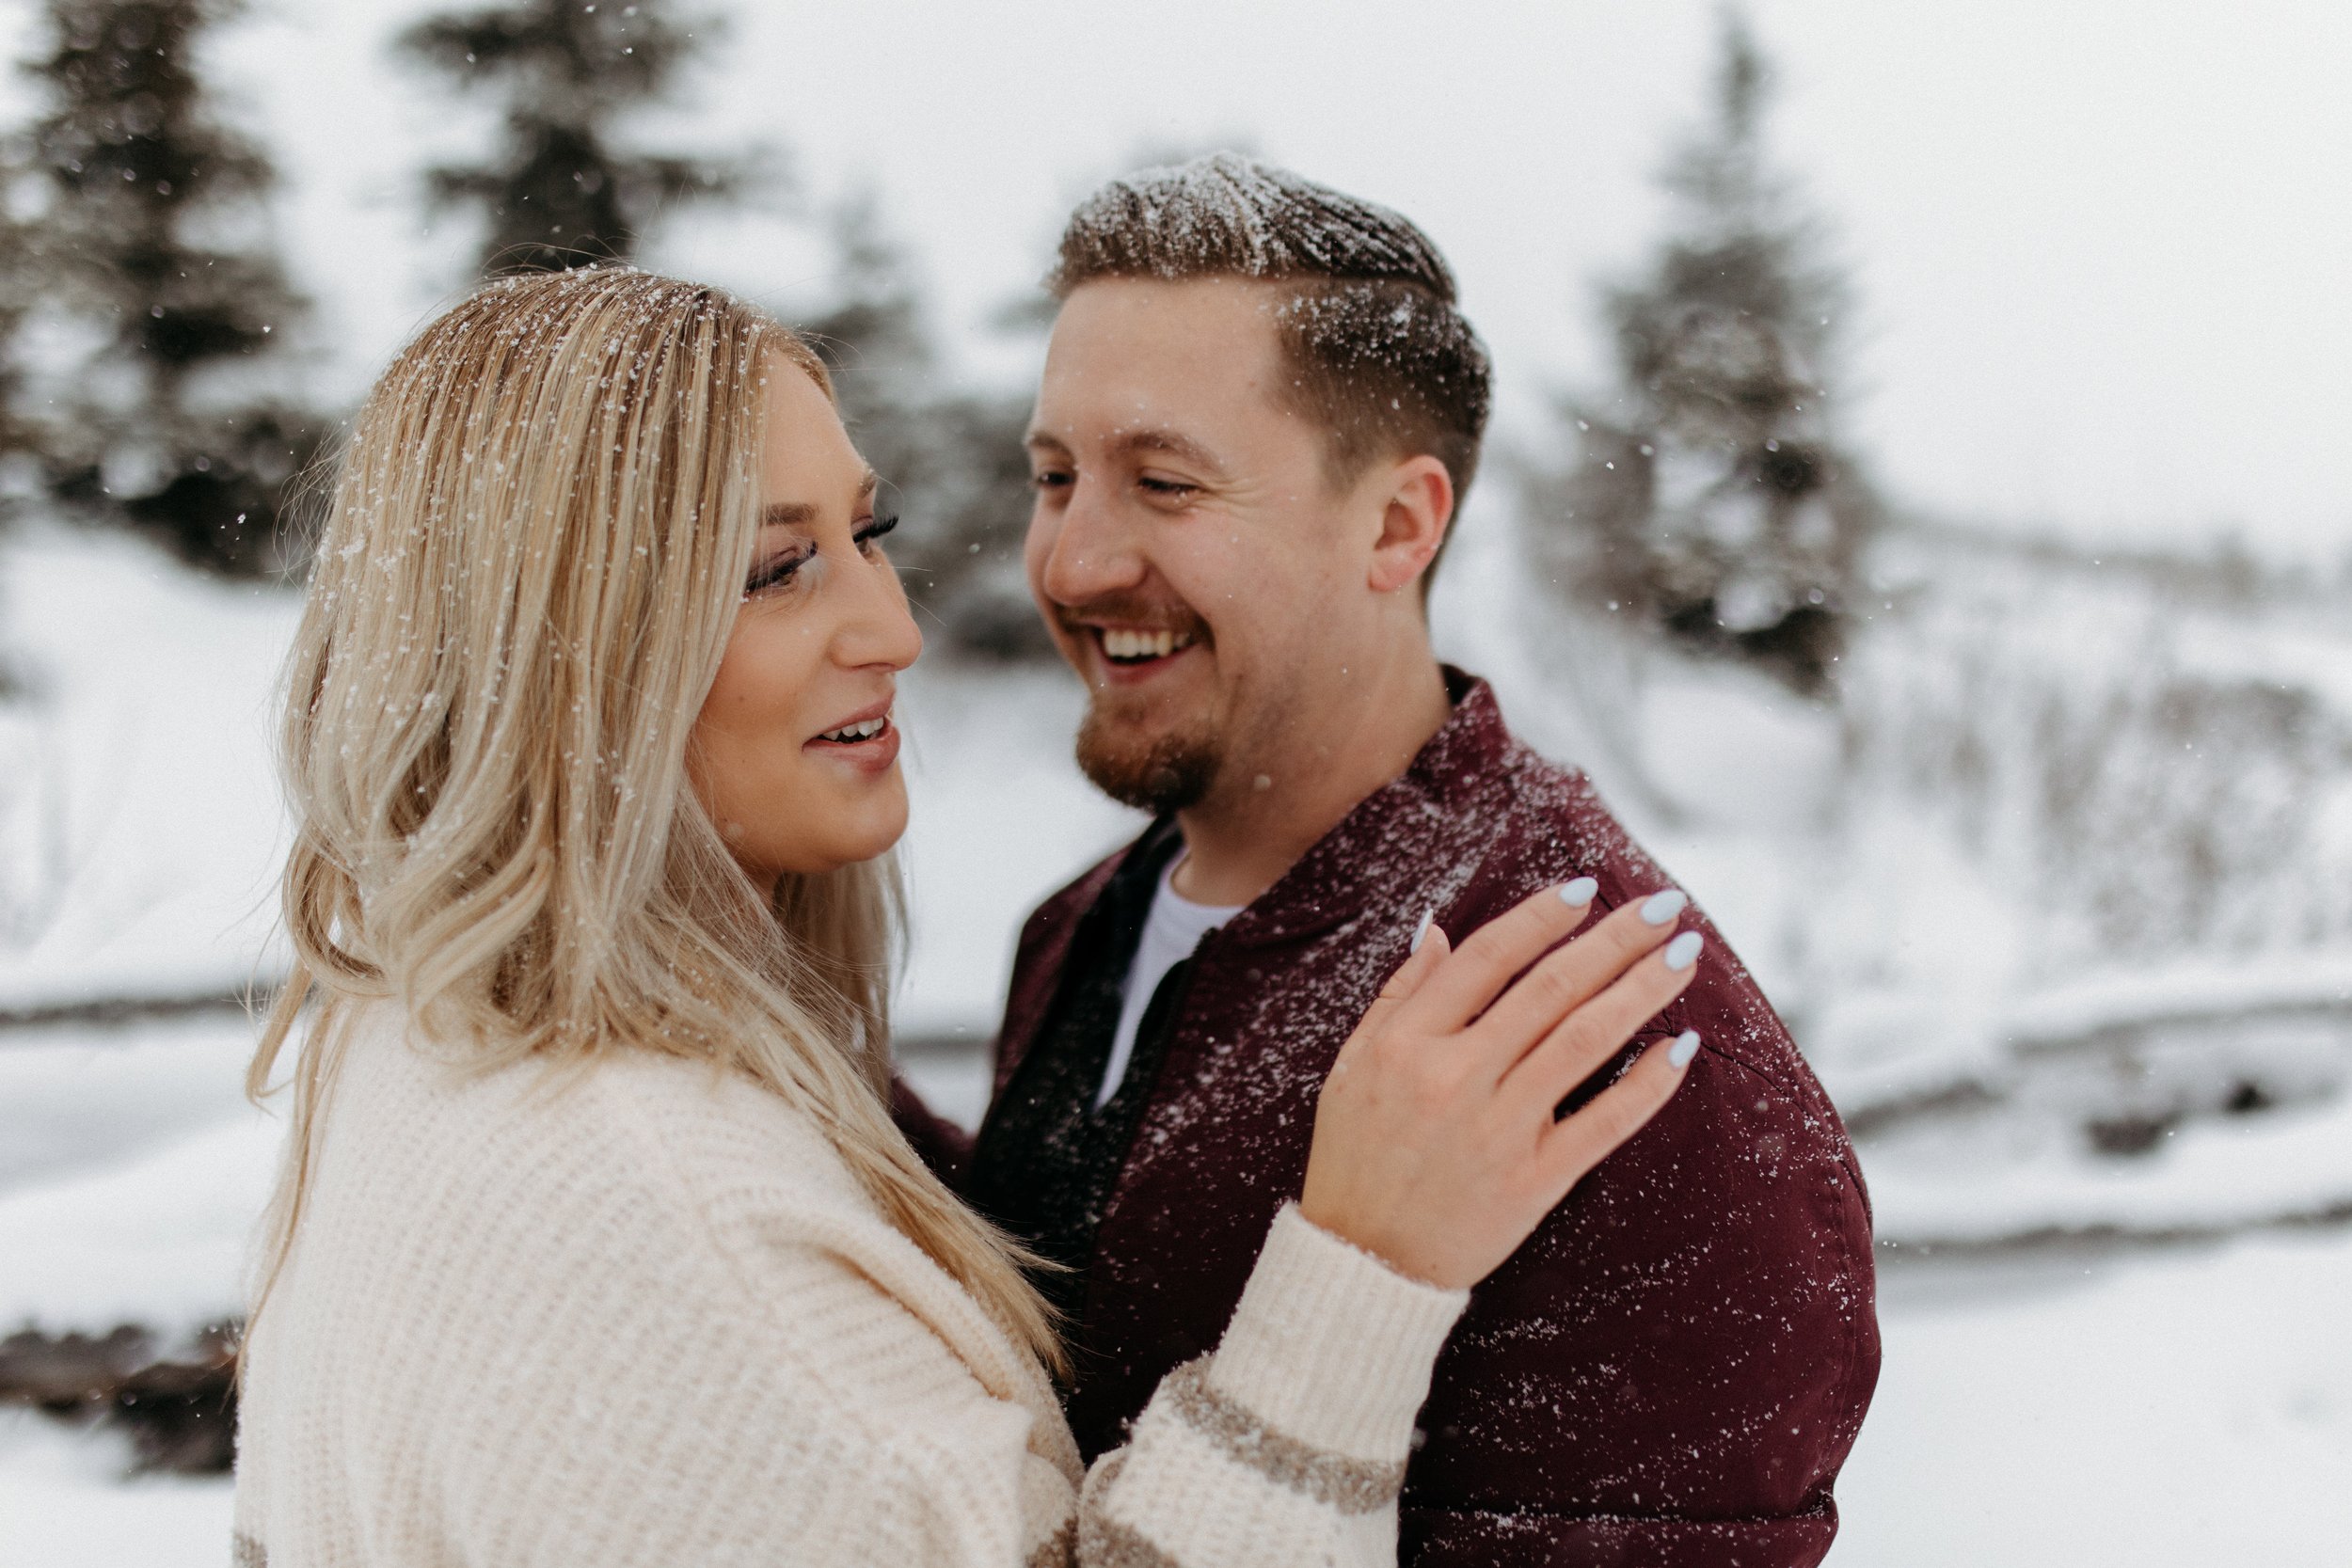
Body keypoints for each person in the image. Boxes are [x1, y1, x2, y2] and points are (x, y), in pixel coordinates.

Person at [229, 266, 1710, 1568]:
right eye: (778, 567)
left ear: (1402, 523)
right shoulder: (663, 1212)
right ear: (564, 652)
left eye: (867, 535)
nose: (896, 628)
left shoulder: (419, 1042)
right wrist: (1358, 1280)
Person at [956, 155, 1882, 1566]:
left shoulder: (1616, 1037)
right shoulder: (1080, 927)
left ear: (1400, 523)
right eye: (1054, 476)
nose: (1073, 561)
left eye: (1163, 482)